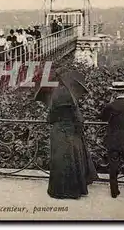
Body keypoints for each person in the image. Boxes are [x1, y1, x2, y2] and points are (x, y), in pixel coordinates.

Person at [35, 69, 97, 199]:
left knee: (58, 161)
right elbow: (79, 119)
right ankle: (73, 191)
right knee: (72, 160)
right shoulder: (71, 96)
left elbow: (49, 120)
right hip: (70, 132)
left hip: (57, 133)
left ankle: (58, 191)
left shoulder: (53, 96)